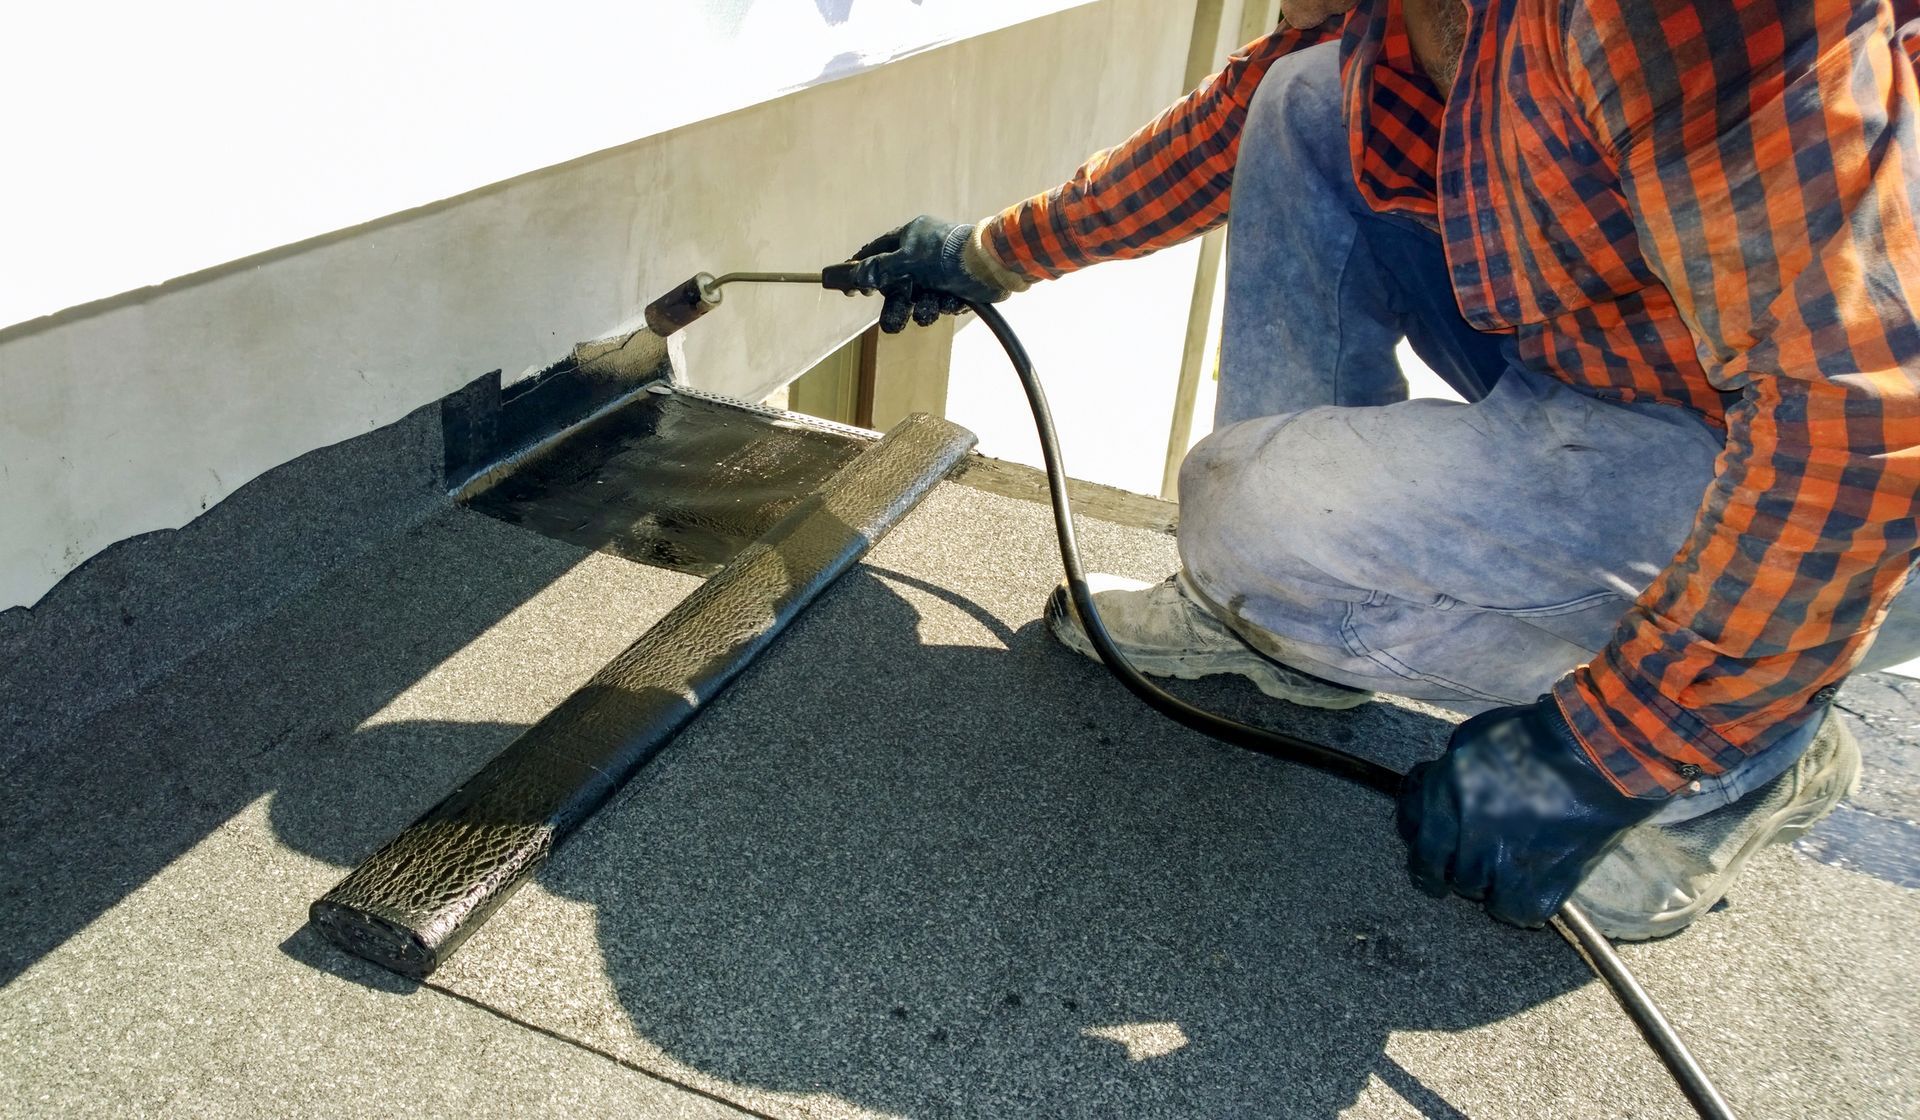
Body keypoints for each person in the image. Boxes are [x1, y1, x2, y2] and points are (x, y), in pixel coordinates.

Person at [844, 0, 1920, 939]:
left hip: (1842, 493)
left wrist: (1611, 748)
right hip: (1633, 360)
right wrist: (988, 254)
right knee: (1308, 101)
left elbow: (1857, 420)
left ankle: (1743, 759)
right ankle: (1282, 630)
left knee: (1246, 514)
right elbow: (1237, 120)